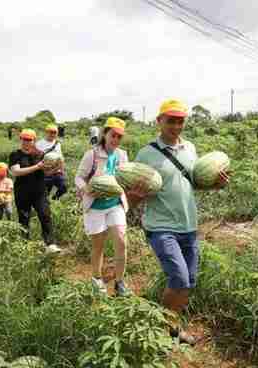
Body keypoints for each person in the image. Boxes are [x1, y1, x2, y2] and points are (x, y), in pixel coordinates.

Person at [128, 99, 229, 345]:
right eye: (170, 120)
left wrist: (216, 185)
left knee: (188, 282)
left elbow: (193, 183)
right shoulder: (146, 153)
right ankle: (165, 330)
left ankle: (173, 327)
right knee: (180, 279)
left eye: (180, 120)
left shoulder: (190, 149)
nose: (176, 125)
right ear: (159, 121)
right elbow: (133, 191)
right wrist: (133, 198)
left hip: (189, 226)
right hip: (161, 227)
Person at [75, 117, 132, 297]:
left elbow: (125, 177)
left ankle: (120, 282)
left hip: (115, 203)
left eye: (119, 137)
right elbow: (79, 177)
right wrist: (87, 190)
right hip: (95, 207)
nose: (115, 140)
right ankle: (97, 279)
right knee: (98, 246)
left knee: (121, 242)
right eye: (113, 135)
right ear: (105, 134)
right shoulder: (91, 155)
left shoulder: (122, 155)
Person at [9, 129, 61, 253]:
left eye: (29, 139)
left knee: (45, 215)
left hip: (39, 191)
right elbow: (16, 172)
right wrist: (37, 166)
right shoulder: (15, 155)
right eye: (24, 139)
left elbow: (46, 172)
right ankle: (24, 245)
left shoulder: (40, 154)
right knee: (24, 218)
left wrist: (56, 168)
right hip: (22, 191)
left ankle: (50, 244)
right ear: (20, 139)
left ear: (34, 140)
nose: (26, 142)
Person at [35, 124, 67, 200]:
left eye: (54, 132)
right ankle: (48, 204)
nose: (52, 134)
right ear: (46, 132)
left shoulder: (58, 143)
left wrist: (62, 169)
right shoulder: (39, 144)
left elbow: (60, 157)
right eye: (50, 132)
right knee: (46, 192)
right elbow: (36, 159)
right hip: (46, 172)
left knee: (63, 188)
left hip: (57, 171)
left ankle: (55, 198)